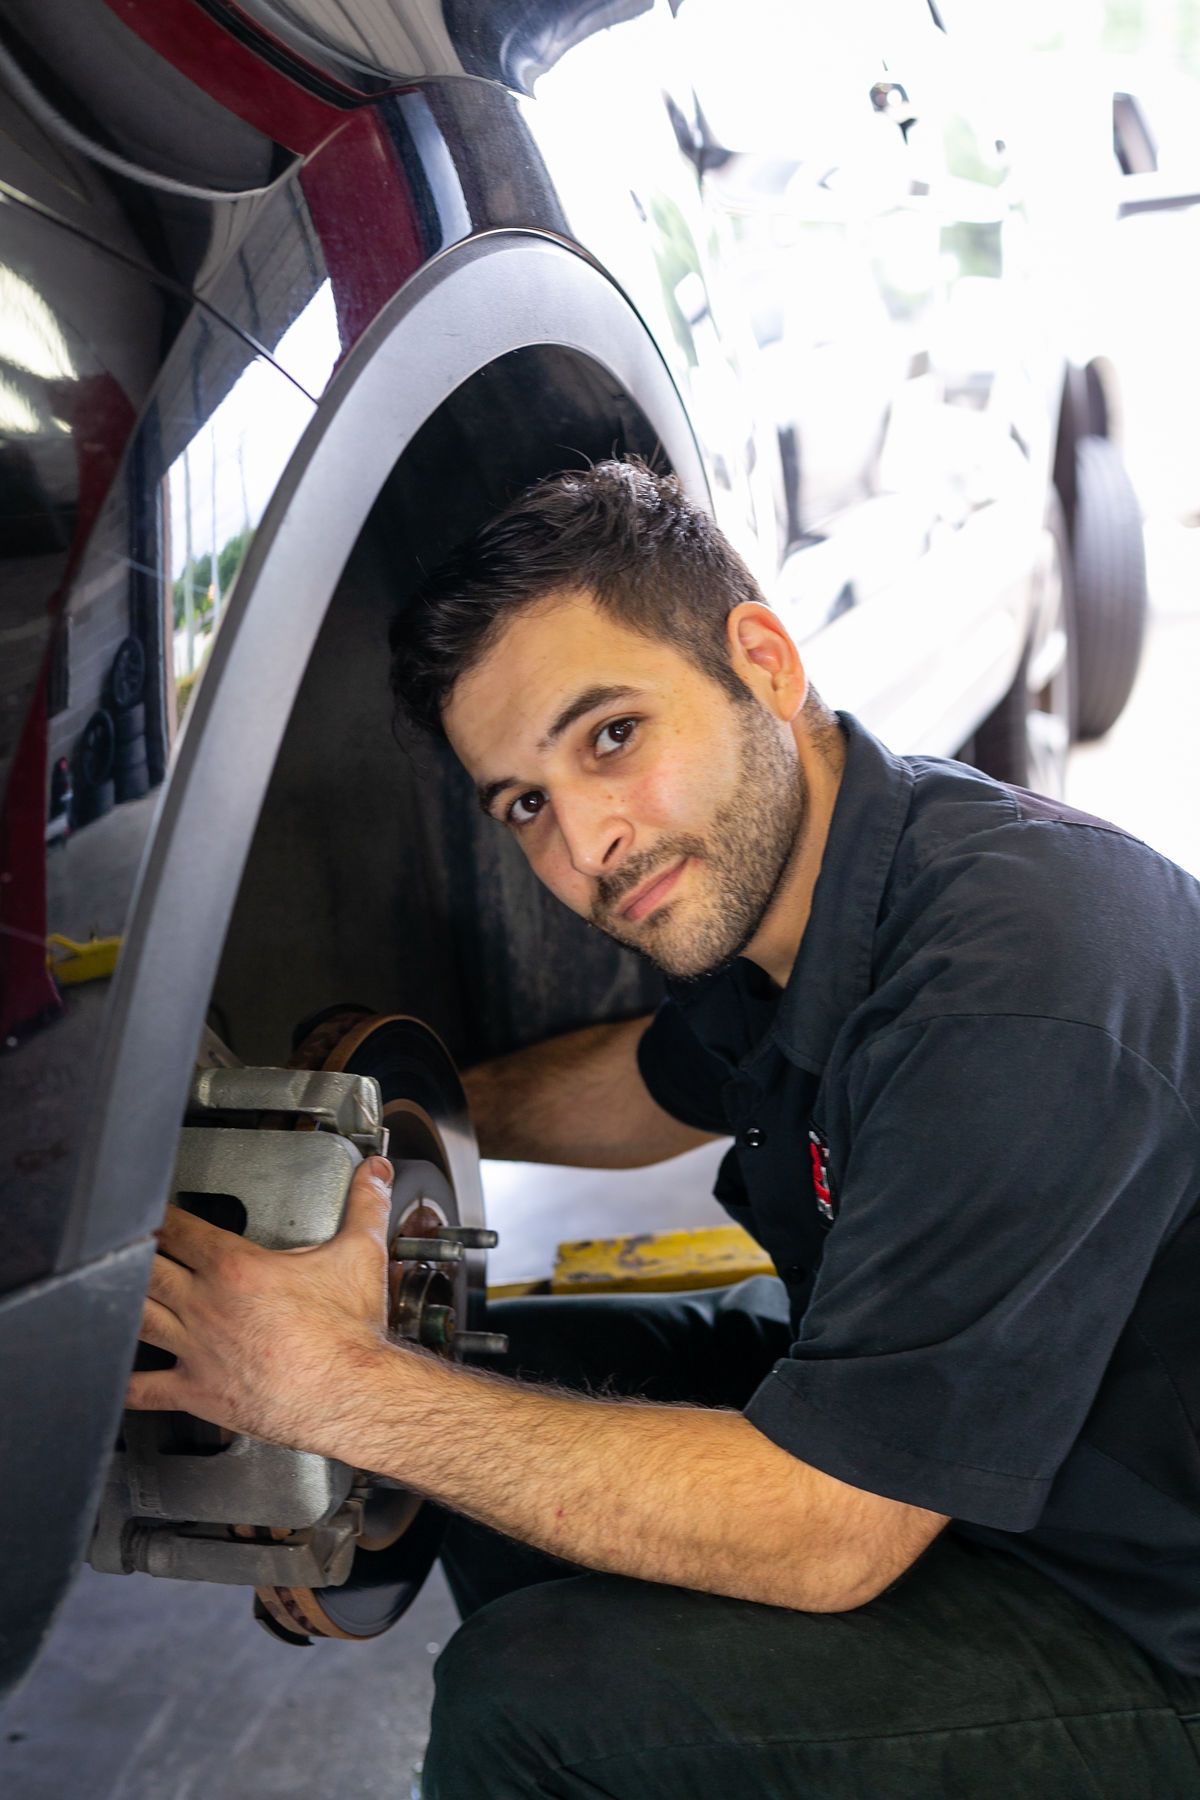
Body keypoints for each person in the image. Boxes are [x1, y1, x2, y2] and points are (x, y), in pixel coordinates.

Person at [129, 461, 1200, 1797]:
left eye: (612, 736)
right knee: (506, 1352)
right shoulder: (833, 894)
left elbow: (830, 1533)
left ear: (763, 660)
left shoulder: (1022, 977)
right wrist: (376, 1122)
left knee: (539, 1704)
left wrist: (333, 1388)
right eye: (524, 802)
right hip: (1008, 1486)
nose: (586, 844)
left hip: (1149, 1628)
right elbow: (651, 1083)